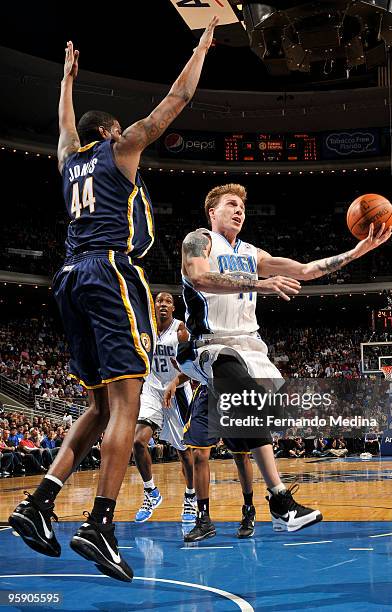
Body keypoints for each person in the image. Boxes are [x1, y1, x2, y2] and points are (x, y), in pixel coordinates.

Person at [9, 17, 218, 584]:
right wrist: (201, 49)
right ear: (111, 132)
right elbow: (177, 99)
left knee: (100, 406)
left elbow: (62, 135)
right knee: (126, 406)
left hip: (68, 280)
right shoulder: (118, 149)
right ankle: (100, 524)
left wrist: (65, 83)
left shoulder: (67, 163)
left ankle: (36, 504)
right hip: (109, 273)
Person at [178, 183, 391, 537]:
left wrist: (357, 251)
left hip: (250, 347)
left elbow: (306, 270)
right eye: (231, 204)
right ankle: (279, 500)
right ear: (212, 212)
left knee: (254, 422)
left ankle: (262, 492)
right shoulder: (198, 240)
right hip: (209, 344)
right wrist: (260, 285)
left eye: (242, 206)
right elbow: (198, 277)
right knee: (246, 395)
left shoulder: (250, 252)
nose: (239, 210)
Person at [133, 293, 196, 524]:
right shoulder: (145, 328)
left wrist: (176, 379)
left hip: (178, 390)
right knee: (138, 442)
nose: (163, 304)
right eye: (159, 301)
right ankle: (151, 492)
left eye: (168, 301)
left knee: (184, 451)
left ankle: (191, 496)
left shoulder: (181, 330)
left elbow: (191, 365)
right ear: (154, 305)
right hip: (152, 388)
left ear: (173, 307)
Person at [182, 385, 257, 541]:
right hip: (206, 393)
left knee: (240, 456)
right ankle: (204, 519)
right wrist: (176, 380)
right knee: (198, 453)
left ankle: (249, 509)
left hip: (233, 391)